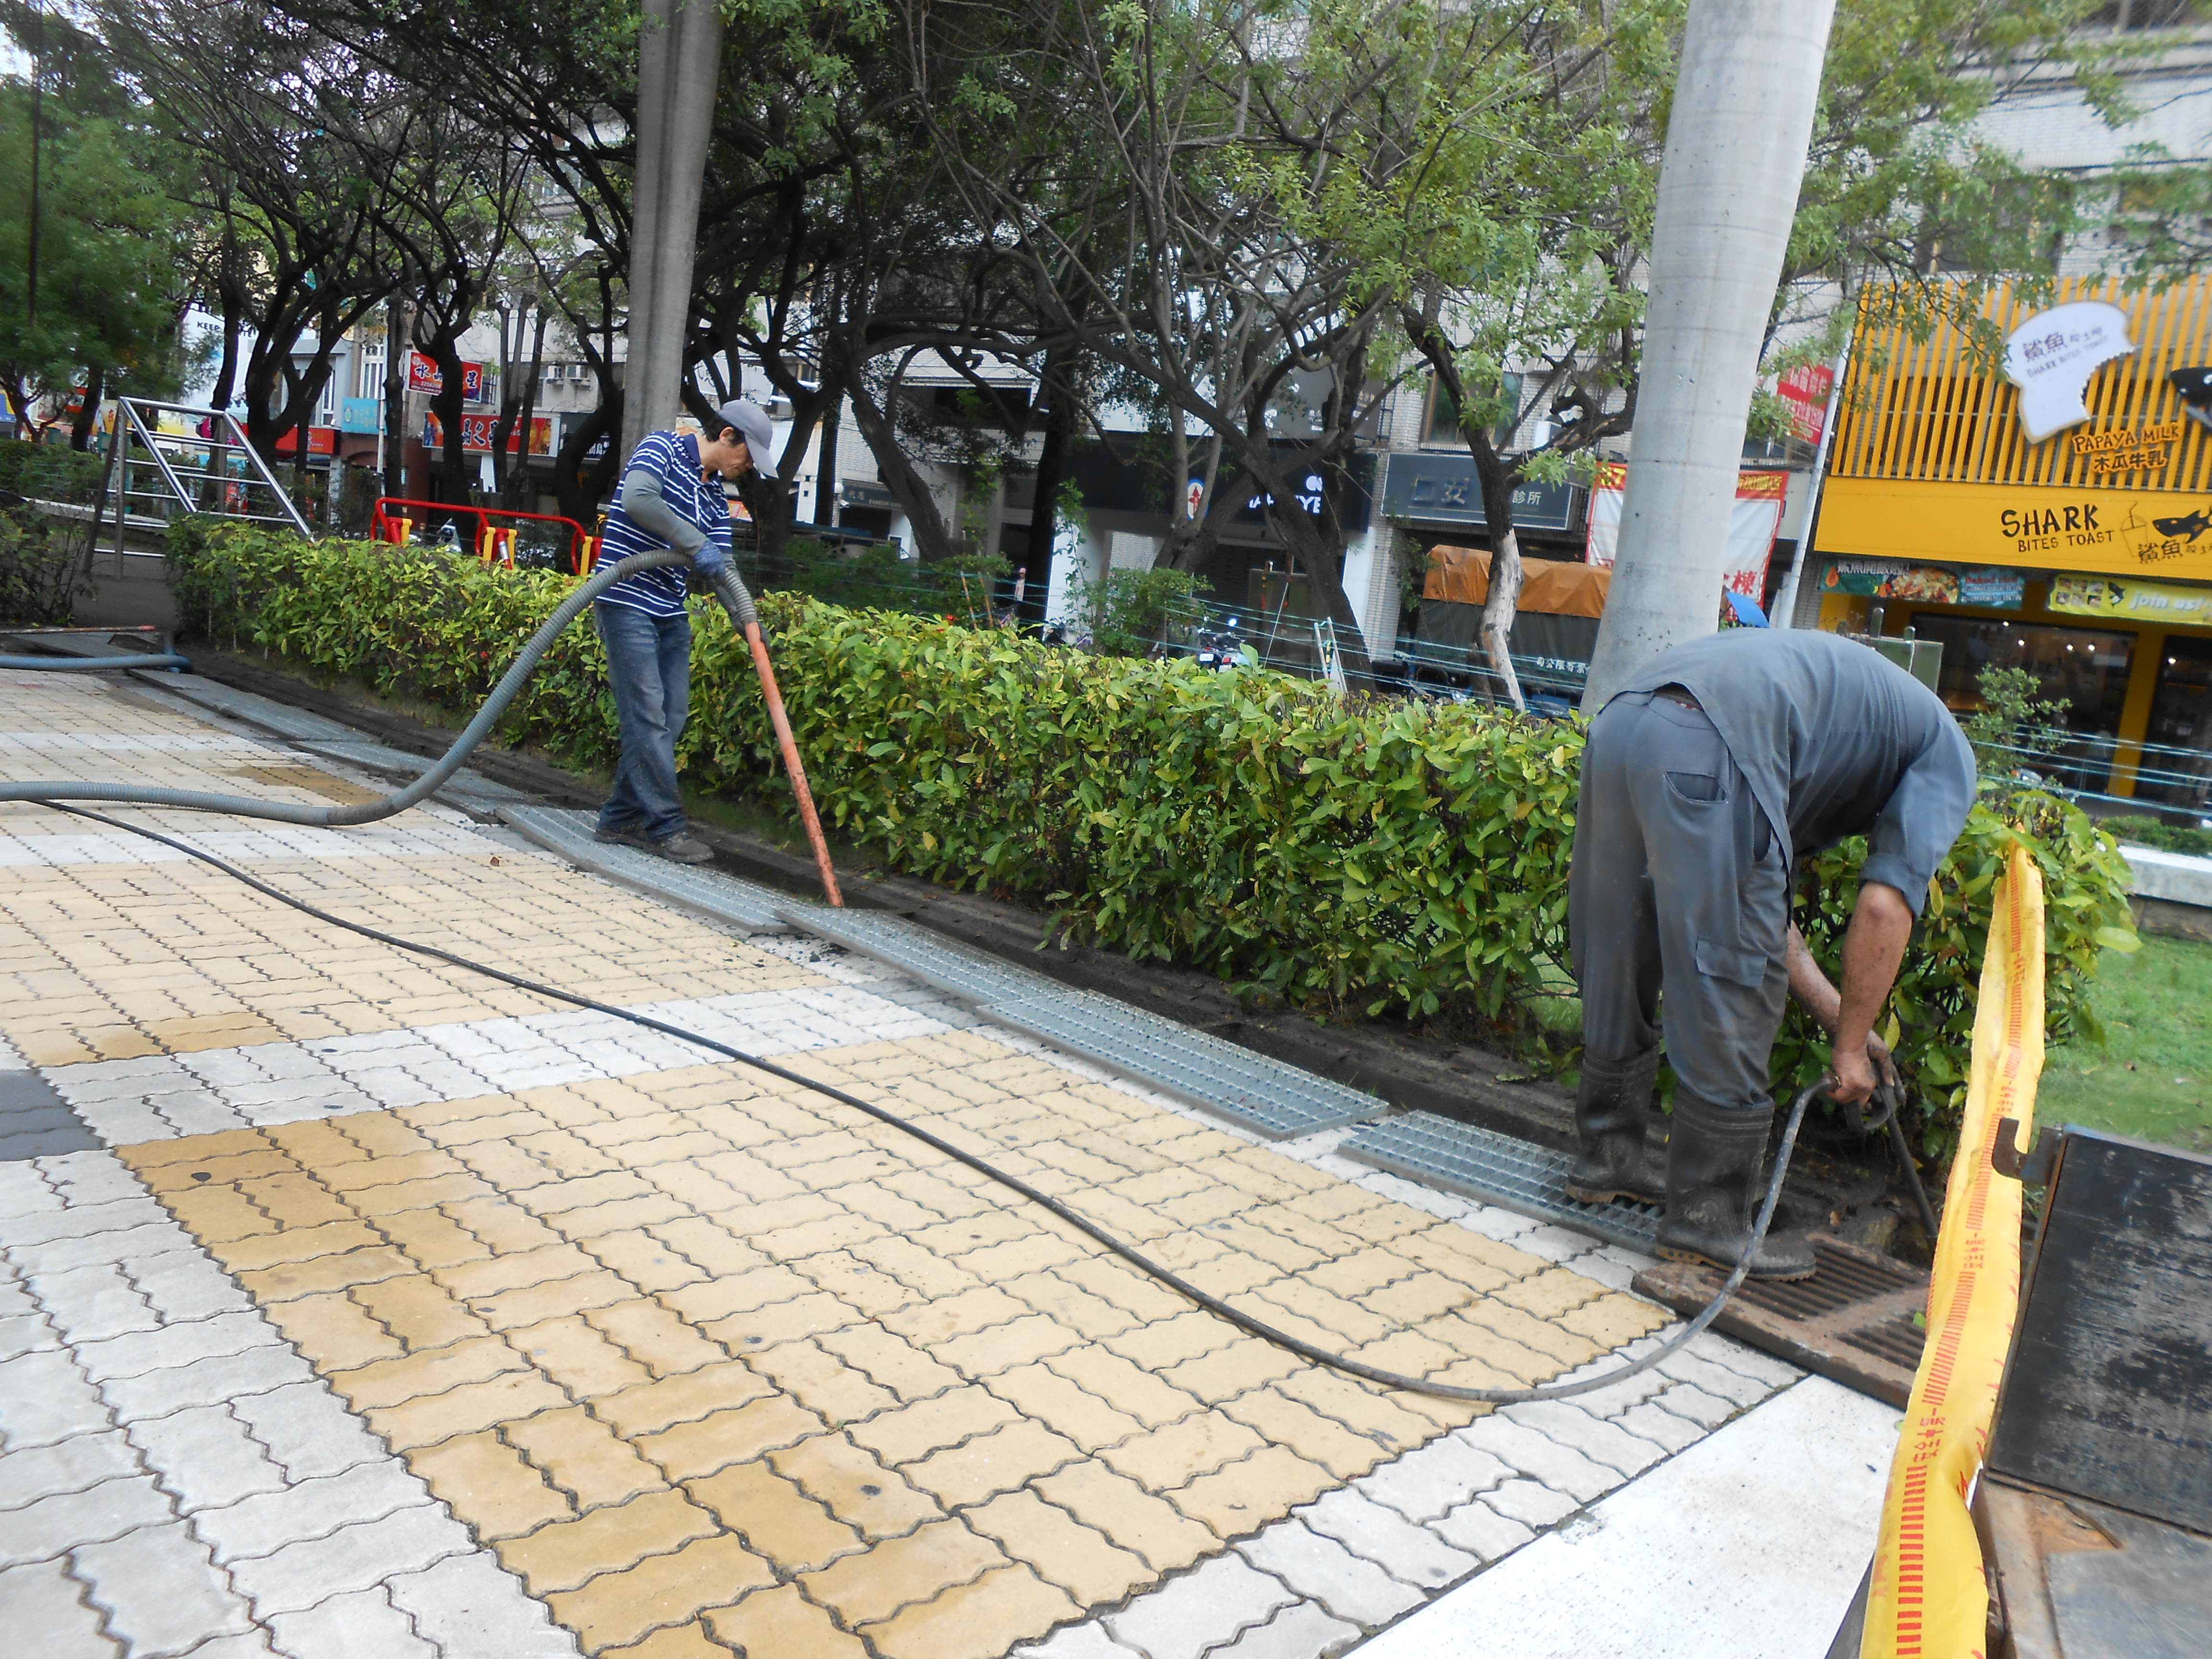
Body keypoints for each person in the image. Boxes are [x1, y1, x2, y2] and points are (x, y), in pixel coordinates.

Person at [1565, 627, 1976, 1280]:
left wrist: (1844, 1019)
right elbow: (1882, 908)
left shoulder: (1845, 714)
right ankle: (1707, 1219)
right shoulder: (1948, 759)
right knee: (1735, 980)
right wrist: (1849, 1047)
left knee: (1620, 940)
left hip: (1623, 723)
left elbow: (1765, 912)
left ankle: (1605, 1159)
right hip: (1713, 741)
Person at [591, 398, 777, 864]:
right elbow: (637, 499)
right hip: (626, 600)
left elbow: (724, 567)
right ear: (728, 434)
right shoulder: (662, 447)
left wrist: (747, 622)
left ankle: (619, 818)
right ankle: (666, 828)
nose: (747, 466)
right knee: (649, 715)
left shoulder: (716, 496)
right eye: (748, 454)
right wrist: (694, 544)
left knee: (670, 717)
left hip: (669, 609)